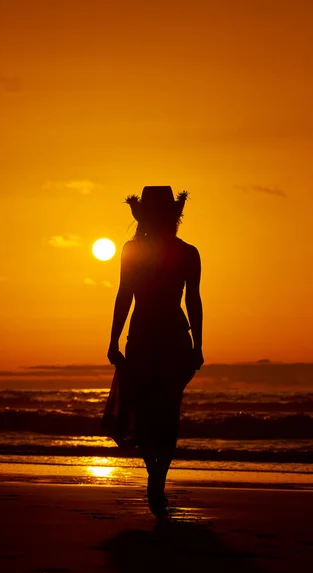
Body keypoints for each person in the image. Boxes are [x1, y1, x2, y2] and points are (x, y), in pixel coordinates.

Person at [107, 185, 203, 516]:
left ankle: (155, 477)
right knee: (162, 414)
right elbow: (125, 294)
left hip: (152, 337)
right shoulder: (183, 252)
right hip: (166, 338)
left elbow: (126, 295)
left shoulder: (163, 251)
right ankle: (156, 477)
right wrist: (113, 339)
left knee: (152, 413)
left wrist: (114, 340)